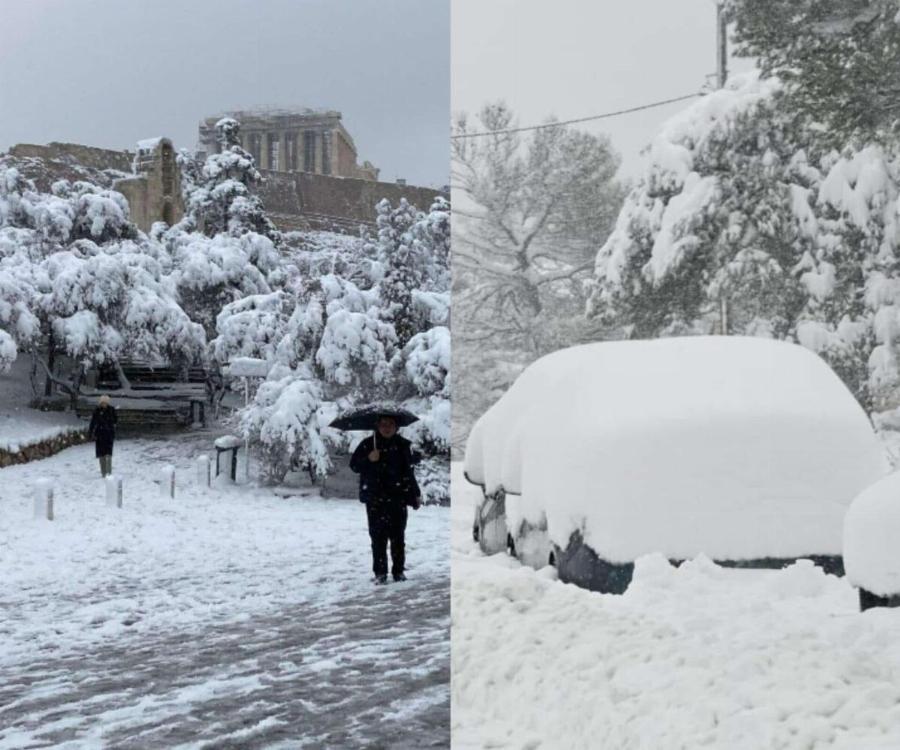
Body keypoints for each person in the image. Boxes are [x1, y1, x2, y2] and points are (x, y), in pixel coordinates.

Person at [350, 415, 422, 584]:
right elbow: (354, 466)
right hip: (375, 499)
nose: (386, 428)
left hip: (398, 498)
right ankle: (380, 573)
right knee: (377, 538)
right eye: (383, 424)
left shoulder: (403, 445)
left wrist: (415, 494)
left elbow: (409, 472)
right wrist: (369, 459)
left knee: (398, 538)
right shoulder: (368, 445)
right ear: (377, 426)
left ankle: (398, 572)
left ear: (396, 427)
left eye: (390, 424)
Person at [88, 394, 117, 477]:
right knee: (101, 455)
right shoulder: (97, 411)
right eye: (102, 403)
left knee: (108, 454)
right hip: (99, 435)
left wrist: (110, 424)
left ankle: (109, 472)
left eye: (105, 403)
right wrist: (90, 433)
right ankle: (103, 472)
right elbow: (93, 422)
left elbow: (115, 420)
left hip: (109, 434)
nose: (104, 404)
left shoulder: (111, 410)